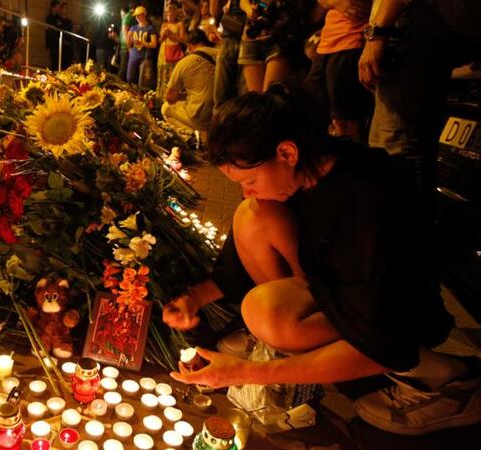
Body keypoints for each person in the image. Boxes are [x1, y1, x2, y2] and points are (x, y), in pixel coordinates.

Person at [163, 84, 481, 436]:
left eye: (250, 179)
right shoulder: (309, 171)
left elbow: (381, 333)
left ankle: (449, 383)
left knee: (264, 312)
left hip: (397, 318)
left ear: (286, 152)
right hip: (337, 294)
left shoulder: (366, 203)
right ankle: (293, 351)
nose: (245, 189)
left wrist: (245, 372)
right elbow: (238, 265)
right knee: (252, 214)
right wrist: (193, 299)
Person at [359, 0, 481, 196]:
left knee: (396, 151)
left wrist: (377, 35)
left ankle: (408, 224)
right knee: (388, 148)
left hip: (421, 27)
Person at [305, 0, 372, 142]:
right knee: (312, 114)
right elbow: (316, 12)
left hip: (351, 41)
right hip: (326, 44)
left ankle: (350, 162)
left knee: (346, 121)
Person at [161, 29, 216, 135]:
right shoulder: (223, 55)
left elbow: (170, 97)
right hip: (224, 115)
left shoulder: (185, 62)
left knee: (166, 108)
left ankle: (194, 136)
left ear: (189, 45)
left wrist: (184, 96)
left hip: (201, 118)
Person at [212, 0, 247, 109]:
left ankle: (221, 122)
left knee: (222, 95)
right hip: (245, 37)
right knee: (244, 96)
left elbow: (214, 10)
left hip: (242, 39)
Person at [157, 2, 187, 101]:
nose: (170, 15)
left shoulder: (180, 24)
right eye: (168, 13)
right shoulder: (164, 24)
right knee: (164, 74)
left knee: (173, 75)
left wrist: (171, 35)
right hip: (164, 52)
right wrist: (164, 35)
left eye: (172, 13)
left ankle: (174, 97)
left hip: (175, 52)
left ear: (175, 13)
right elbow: (159, 40)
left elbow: (183, 39)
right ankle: (162, 98)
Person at [126, 5, 157, 87]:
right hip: (134, 55)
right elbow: (128, 44)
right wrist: (129, 39)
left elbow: (154, 44)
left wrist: (143, 43)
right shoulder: (133, 28)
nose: (137, 17)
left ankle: (142, 97)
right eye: (136, 16)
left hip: (145, 56)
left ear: (144, 15)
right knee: (130, 78)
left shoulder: (150, 28)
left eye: (139, 15)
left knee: (143, 81)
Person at [45, 0, 62, 70]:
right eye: (58, 7)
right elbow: (48, 30)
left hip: (58, 40)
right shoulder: (49, 17)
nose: (59, 9)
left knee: (57, 59)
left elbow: (60, 26)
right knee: (53, 59)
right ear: (54, 7)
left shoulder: (58, 17)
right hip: (52, 41)